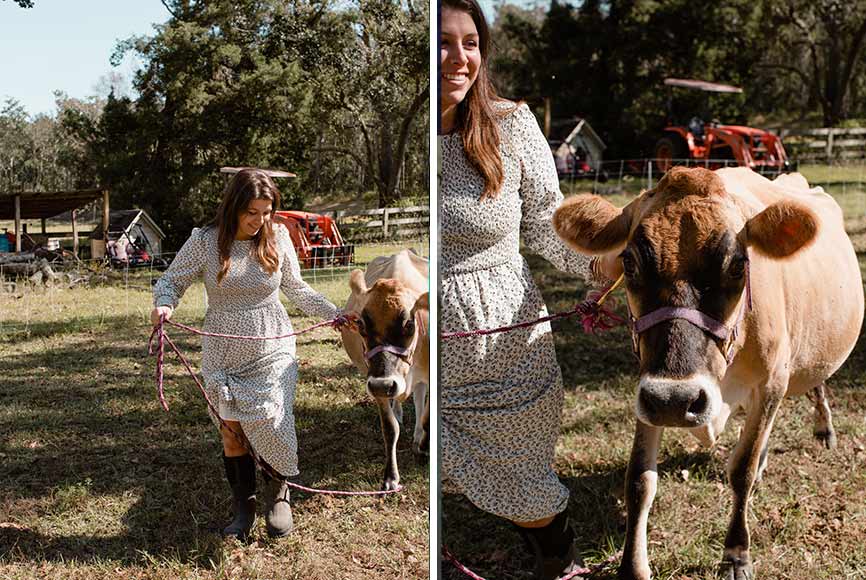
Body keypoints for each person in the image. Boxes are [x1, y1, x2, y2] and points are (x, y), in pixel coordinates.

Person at [439, 1, 622, 578]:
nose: (459, 57)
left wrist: (603, 269)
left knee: (523, 477)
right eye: (443, 42)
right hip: (424, 343)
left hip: (505, 339)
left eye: (471, 42)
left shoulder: (510, 124)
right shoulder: (408, 135)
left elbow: (545, 218)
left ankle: (558, 561)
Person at [150, 168, 345, 541]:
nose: (259, 221)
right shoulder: (206, 241)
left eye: (266, 212)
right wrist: (164, 304)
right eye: (251, 212)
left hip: (271, 340)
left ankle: (280, 491)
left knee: (270, 415)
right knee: (232, 431)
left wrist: (333, 313)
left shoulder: (279, 237)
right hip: (222, 348)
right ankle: (244, 507)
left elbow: (297, 288)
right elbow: (172, 280)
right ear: (233, 207)